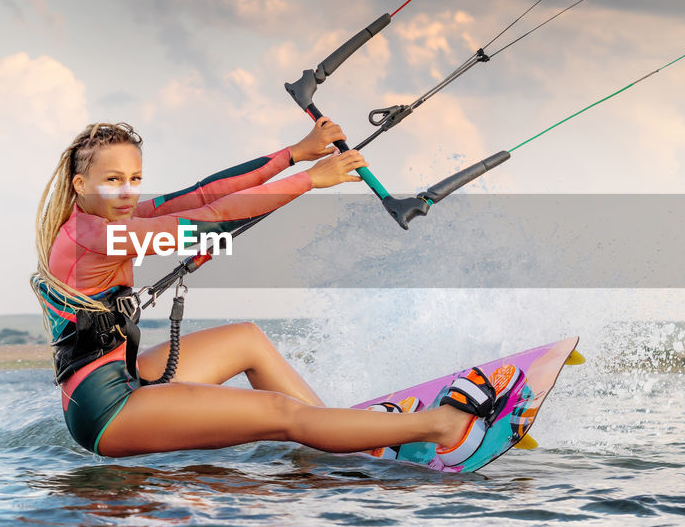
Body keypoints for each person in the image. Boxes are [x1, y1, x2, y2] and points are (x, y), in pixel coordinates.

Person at [33, 120, 511, 462]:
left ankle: (349, 437)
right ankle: (443, 426)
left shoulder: (108, 219)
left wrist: (294, 153)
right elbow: (206, 220)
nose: (127, 192)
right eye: (112, 181)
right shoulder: (98, 234)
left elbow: (203, 196)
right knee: (281, 413)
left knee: (247, 339)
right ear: (81, 184)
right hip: (106, 409)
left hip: (122, 373)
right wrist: (309, 180)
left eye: (134, 179)